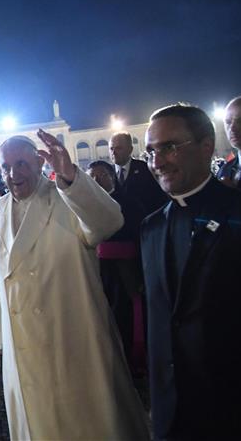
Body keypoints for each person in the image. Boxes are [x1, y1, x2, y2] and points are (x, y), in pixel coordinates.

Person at [0, 130, 148, 440]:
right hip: (20, 340)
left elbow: (109, 221)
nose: (13, 173)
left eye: (21, 163)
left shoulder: (67, 196)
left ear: (40, 163)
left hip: (71, 332)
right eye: (6, 166)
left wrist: (70, 175)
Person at [141, 104, 241, 440]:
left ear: (206, 147)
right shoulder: (151, 228)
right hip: (174, 416)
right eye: (151, 151)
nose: (158, 162)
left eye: (170, 147)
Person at [87, 160, 148, 376]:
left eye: (101, 175)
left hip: (125, 270)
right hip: (98, 271)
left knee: (125, 314)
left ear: (112, 176)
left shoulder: (129, 202)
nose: (97, 180)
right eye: (91, 176)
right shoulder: (85, 205)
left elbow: (141, 235)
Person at [110, 131, 168, 214]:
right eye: (111, 148)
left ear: (130, 149)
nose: (113, 153)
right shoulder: (107, 172)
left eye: (118, 148)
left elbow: (159, 198)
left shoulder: (146, 169)